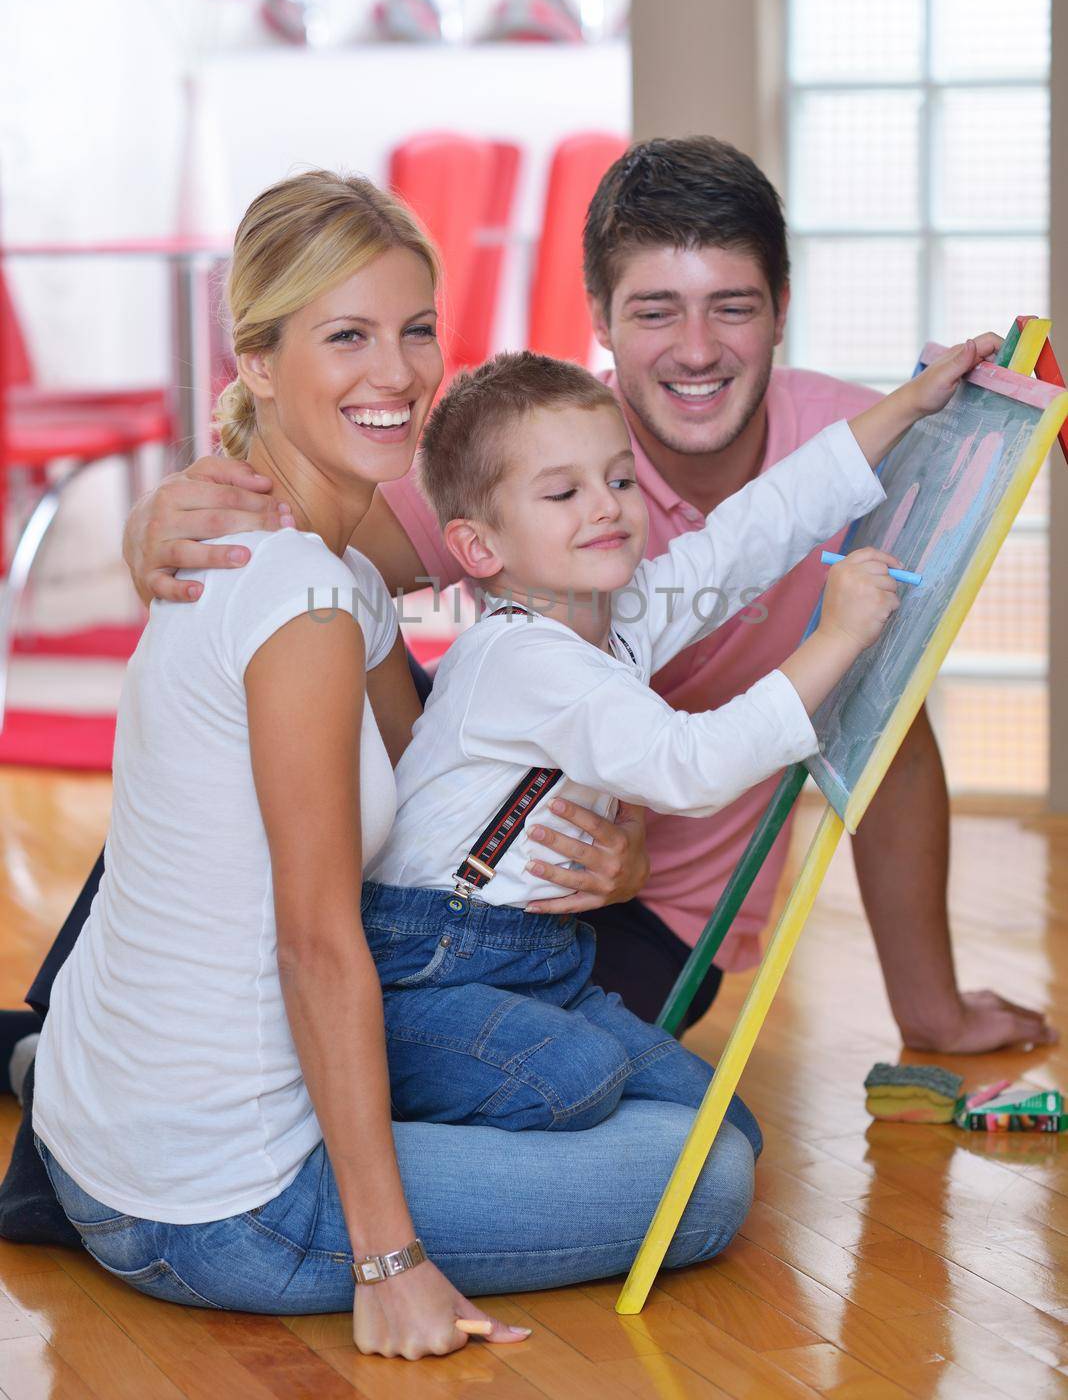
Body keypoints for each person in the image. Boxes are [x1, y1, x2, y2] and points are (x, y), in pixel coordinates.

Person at [22, 171, 761, 1358]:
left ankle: (40, 1066)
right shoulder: (306, 603)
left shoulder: (300, 558)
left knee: (673, 1104)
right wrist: (391, 1260)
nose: (400, 372)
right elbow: (318, 939)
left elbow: (428, 807)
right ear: (255, 360)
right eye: (348, 335)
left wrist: (614, 841)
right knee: (708, 1172)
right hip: (227, 1203)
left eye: (418, 329)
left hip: (107, 1126)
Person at [118, 136, 1056, 1054]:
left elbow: (792, 588)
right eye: (656, 311)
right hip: (455, 896)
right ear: (601, 321)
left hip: (639, 910)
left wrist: (929, 1009)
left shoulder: (818, 467)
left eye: (730, 307)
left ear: (780, 309)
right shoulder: (529, 445)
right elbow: (286, 551)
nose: (695, 350)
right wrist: (154, 528)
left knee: (650, 1116)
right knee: (291, 664)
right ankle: (106, 1044)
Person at [360, 337, 997, 1133]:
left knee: (725, 1129)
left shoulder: (612, 618)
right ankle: (376, 1116)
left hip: (537, 959)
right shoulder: (522, 656)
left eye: (619, 478)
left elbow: (752, 533)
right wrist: (833, 638)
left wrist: (909, 405)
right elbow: (688, 768)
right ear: (479, 548)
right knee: (577, 1077)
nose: (607, 505)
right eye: (563, 494)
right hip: (432, 963)